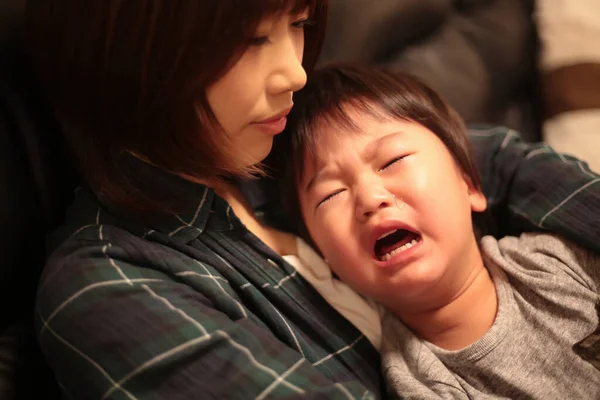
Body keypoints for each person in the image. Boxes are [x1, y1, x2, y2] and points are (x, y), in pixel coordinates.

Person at [23, 1, 600, 398]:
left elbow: (478, 156)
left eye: (298, 21)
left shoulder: (269, 133)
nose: (295, 73)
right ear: (133, 56)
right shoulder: (110, 289)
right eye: (251, 38)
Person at [274, 63, 600, 399]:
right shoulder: (419, 386)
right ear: (326, 260)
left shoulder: (559, 261)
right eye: (332, 194)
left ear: (470, 185)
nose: (370, 199)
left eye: (392, 161)